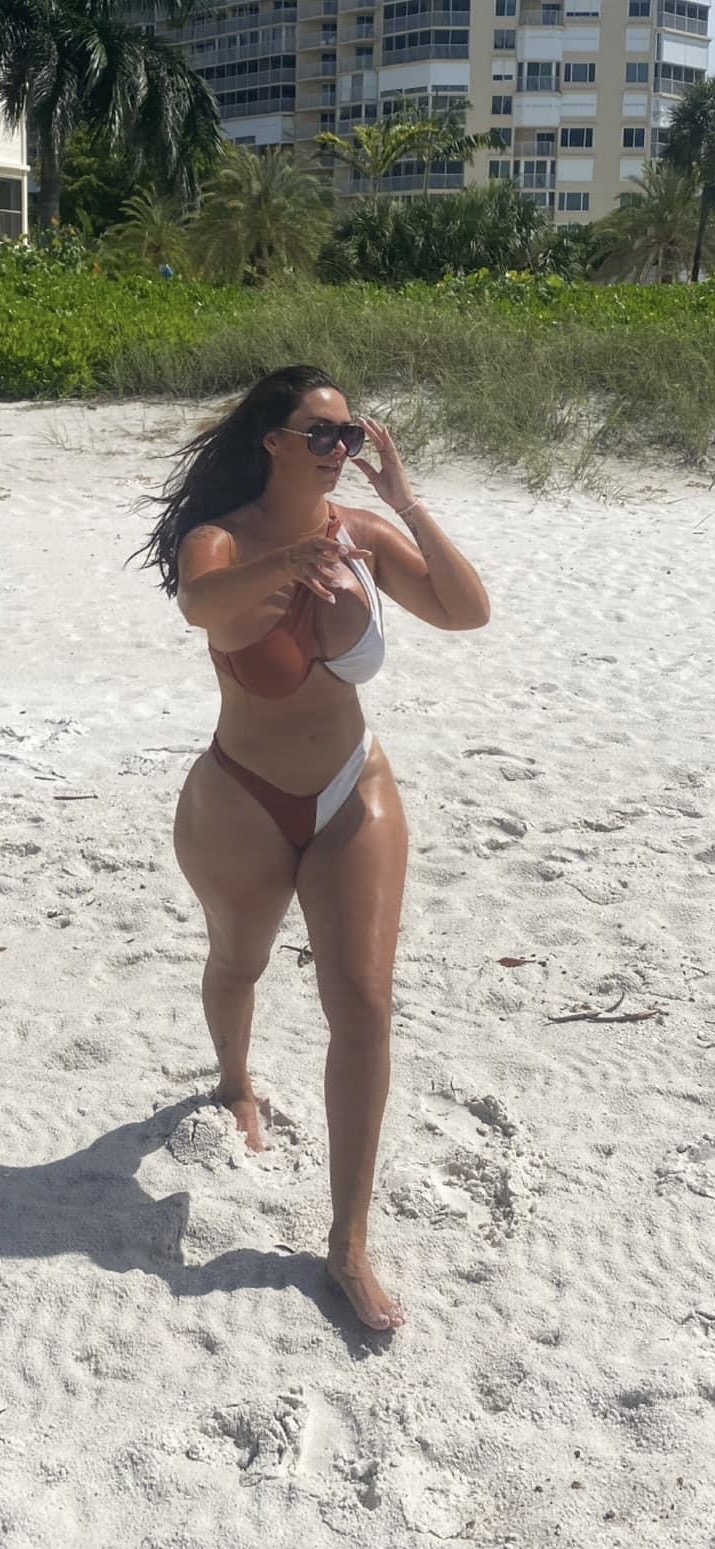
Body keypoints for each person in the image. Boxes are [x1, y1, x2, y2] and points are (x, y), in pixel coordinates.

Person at [137, 365, 490, 1332]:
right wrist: (294, 562)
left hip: (350, 789)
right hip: (240, 798)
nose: (341, 450)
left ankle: (347, 1243)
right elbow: (202, 605)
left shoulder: (361, 533)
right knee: (238, 963)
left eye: (351, 436)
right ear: (273, 442)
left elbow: (466, 610)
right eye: (322, 434)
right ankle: (234, 1081)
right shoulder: (222, 538)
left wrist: (404, 505)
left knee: (364, 1005)